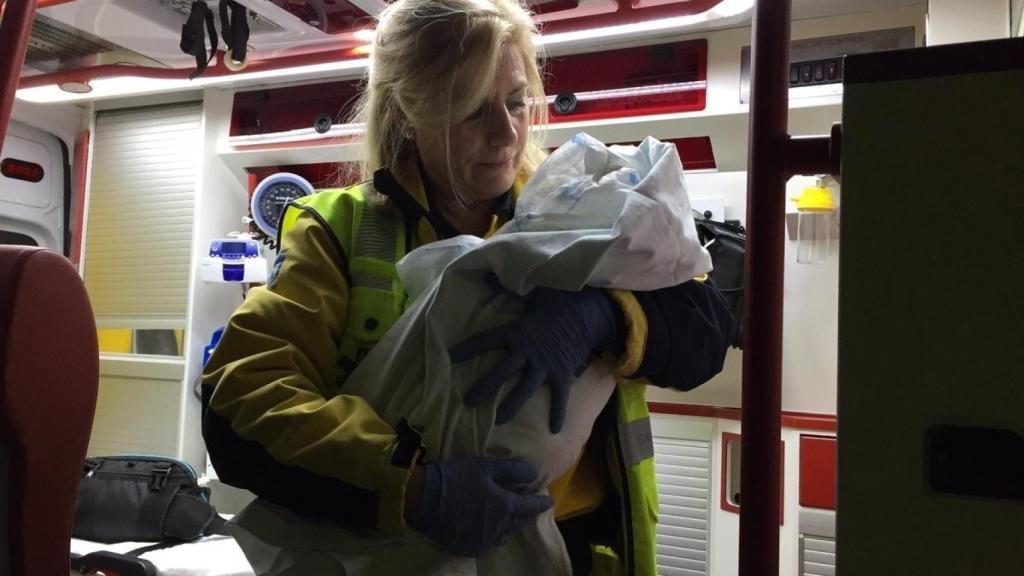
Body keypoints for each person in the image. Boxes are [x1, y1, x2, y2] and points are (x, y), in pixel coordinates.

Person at [201, 0, 734, 574]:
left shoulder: (581, 206)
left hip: (580, 545)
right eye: (473, 110)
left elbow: (707, 328)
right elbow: (238, 412)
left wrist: (604, 315)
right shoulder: (337, 229)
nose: (506, 133)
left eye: (516, 102)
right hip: (404, 548)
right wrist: (412, 487)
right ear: (409, 111)